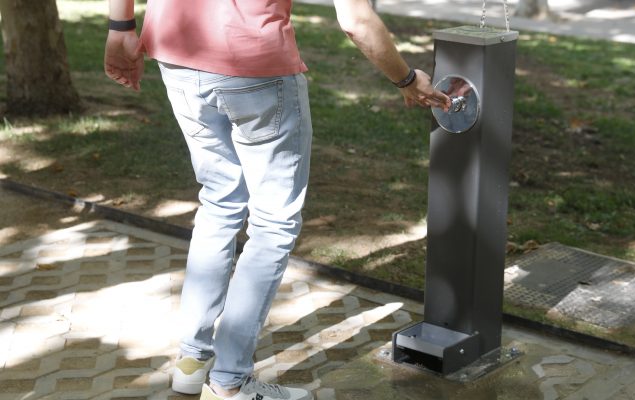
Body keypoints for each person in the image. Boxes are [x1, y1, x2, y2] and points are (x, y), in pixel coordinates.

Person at [104, 1, 450, 399]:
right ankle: (231, 382)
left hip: (176, 52)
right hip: (255, 66)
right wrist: (407, 79)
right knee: (272, 223)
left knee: (219, 203)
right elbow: (355, 20)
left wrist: (120, 25)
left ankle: (192, 360)